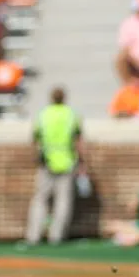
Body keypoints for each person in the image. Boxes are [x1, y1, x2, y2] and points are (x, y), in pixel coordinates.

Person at [26, 87, 85, 245]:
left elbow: (35, 138)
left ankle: (33, 235)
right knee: (63, 200)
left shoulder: (43, 114)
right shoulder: (71, 115)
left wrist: (37, 155)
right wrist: (82, 163)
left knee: (40, 199)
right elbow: (78, 140)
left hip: (46, 161)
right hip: (67, 161)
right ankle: (56, 236)